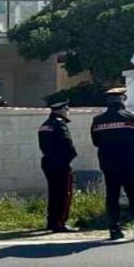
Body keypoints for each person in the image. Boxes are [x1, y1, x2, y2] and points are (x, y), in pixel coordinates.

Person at [90, 87, 134, 241]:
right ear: (122, 100)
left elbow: (96, 142)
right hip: (130, 163)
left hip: (109, 164)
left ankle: (114, 230)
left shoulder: (98, 120)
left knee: (112, 197)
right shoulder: (130, 118)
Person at [38, 100, 77, 233]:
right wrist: (70, 157)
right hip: (61, 163)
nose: (67, 111)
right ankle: (60, 222)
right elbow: (67, 144)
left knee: (54, 193)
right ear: (60, 110)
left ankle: (52, 221)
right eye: (66, 109)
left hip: (48, 161)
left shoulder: (45, 125)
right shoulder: (60, 125)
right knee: (63, 194)